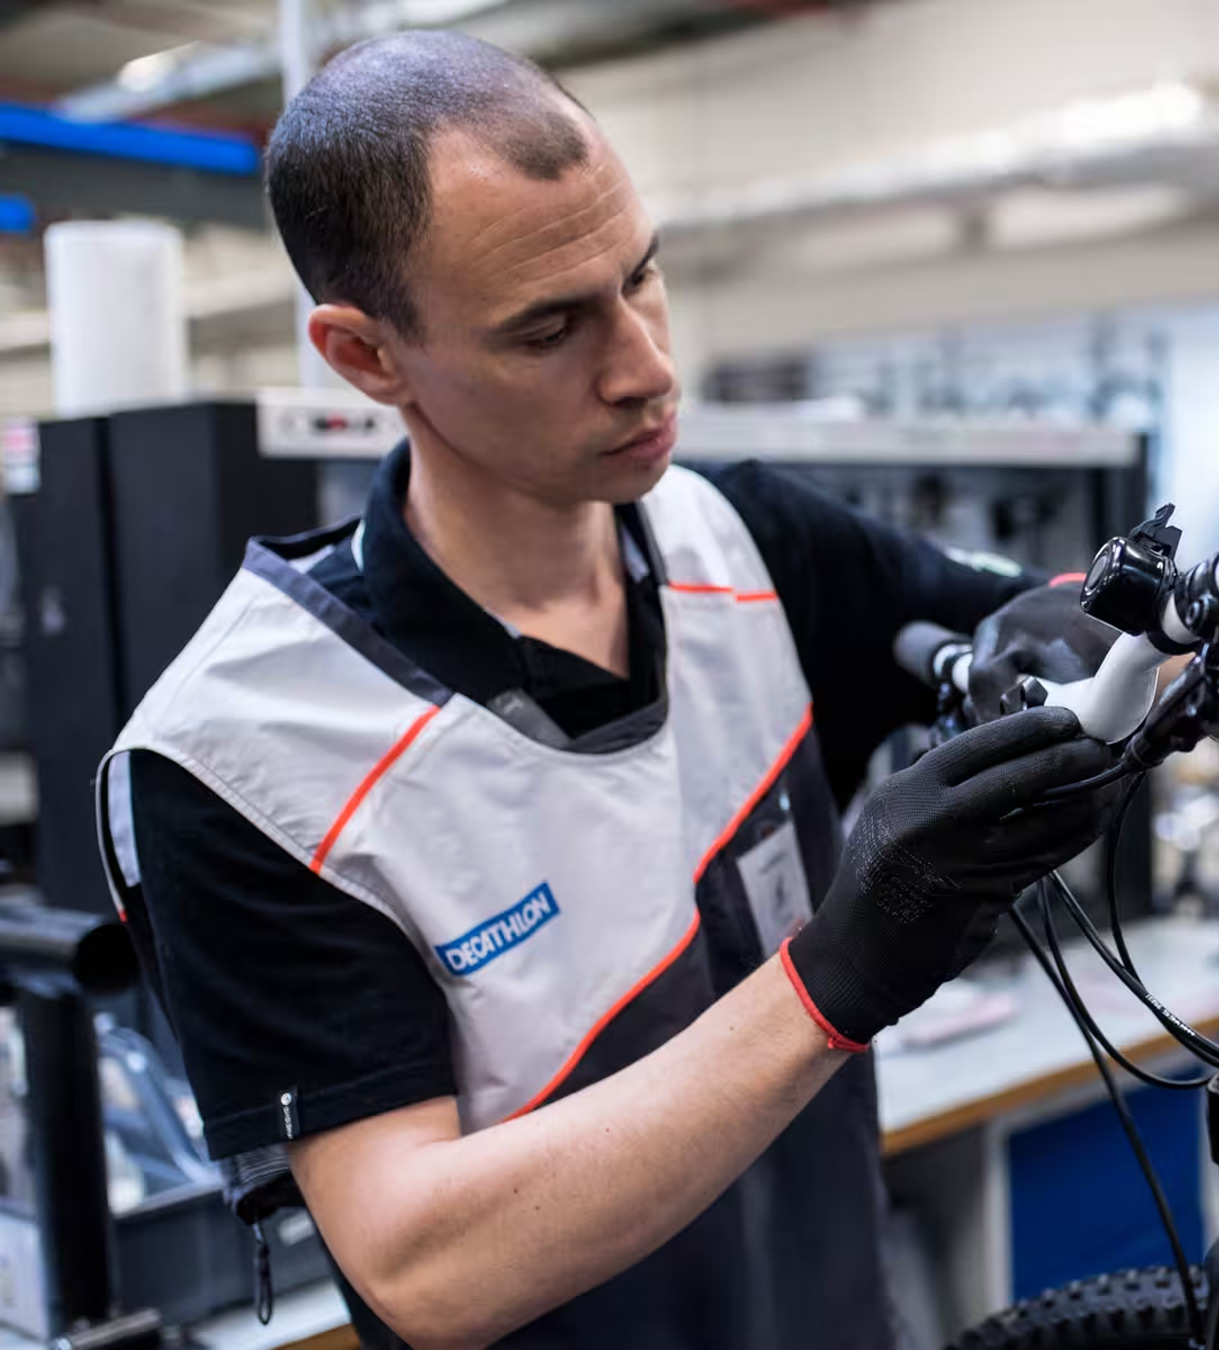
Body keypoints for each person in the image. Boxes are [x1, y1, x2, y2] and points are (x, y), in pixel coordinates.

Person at [95, 30, 1120, 1350]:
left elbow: (1041, 615)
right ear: (366, 357)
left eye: (640, 274)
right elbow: (419, 1267)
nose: (645, 366)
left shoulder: (744, 541)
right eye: (549, 327)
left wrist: (1137, 632)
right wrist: (843, 967)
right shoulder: (250, 756)